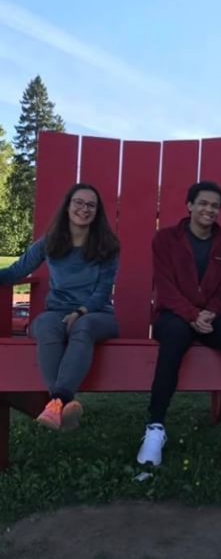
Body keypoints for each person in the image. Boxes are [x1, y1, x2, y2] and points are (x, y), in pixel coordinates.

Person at [136, 181, 221, 467]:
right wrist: (192, 314)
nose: (209, 209)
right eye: (203, 203)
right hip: (172, 315)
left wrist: (209, 314)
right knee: (175, 334)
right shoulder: (165, 239)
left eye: (215, 206)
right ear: (190, 205)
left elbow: (220, 292)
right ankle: (155, 426)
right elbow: (165, 288)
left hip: (208, 317)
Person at [0, 183, 120, 430]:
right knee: (45, 324)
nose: (84, 209)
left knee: (83, 326)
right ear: (67, 206)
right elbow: (16, 271)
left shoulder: (107, 246)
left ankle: (57, 401)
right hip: (56, 314)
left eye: (91, 205)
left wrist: (80, 312)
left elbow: (102, 293)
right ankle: (61, 406)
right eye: (78, 202)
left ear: (97, 212)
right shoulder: (50, 243)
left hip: (97, 315)